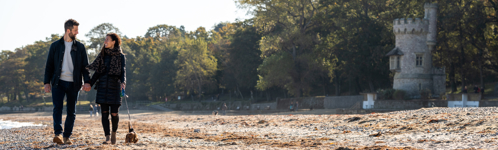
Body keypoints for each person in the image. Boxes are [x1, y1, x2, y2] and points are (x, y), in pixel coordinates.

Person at [44, 19, 91, 145]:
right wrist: (46, 83)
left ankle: (66, 136)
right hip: (58, 82)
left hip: (74, 83)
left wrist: (87, 81)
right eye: (75, 30)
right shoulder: (55, 46)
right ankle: (58, 134)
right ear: (68, 30)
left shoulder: (80, 47)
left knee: (71, 111)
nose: (77, 33)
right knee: (57, 108)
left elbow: (85, 67)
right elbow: (49, 66)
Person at [87, 33, 126, 145]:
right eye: (105, 39)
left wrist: (123, 82)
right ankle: (107, 137)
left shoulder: (121, 56)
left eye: (107, 39)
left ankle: (114, 132)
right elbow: (97, 73)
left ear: (114, 41)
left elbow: (123, 71)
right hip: (102, 87)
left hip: (115, 87)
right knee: (104, 113)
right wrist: (89, 84)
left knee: (114, 113)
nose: (105, 41)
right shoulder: (102, 55)